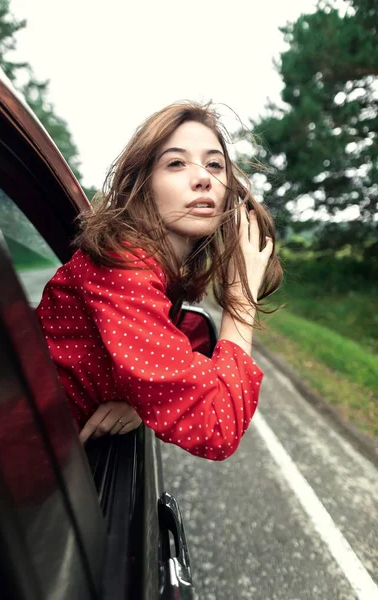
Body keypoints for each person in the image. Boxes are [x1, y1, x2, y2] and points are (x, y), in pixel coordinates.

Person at [36, 101, 282, 461]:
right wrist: (240, 299)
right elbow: (216, 427)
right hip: (19, 465)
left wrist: (139, 399)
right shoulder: (123, 267)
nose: (203, 177)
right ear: (143, 186)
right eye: (176, 163)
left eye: (214, 164)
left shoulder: (153, 269)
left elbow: (150, 358)